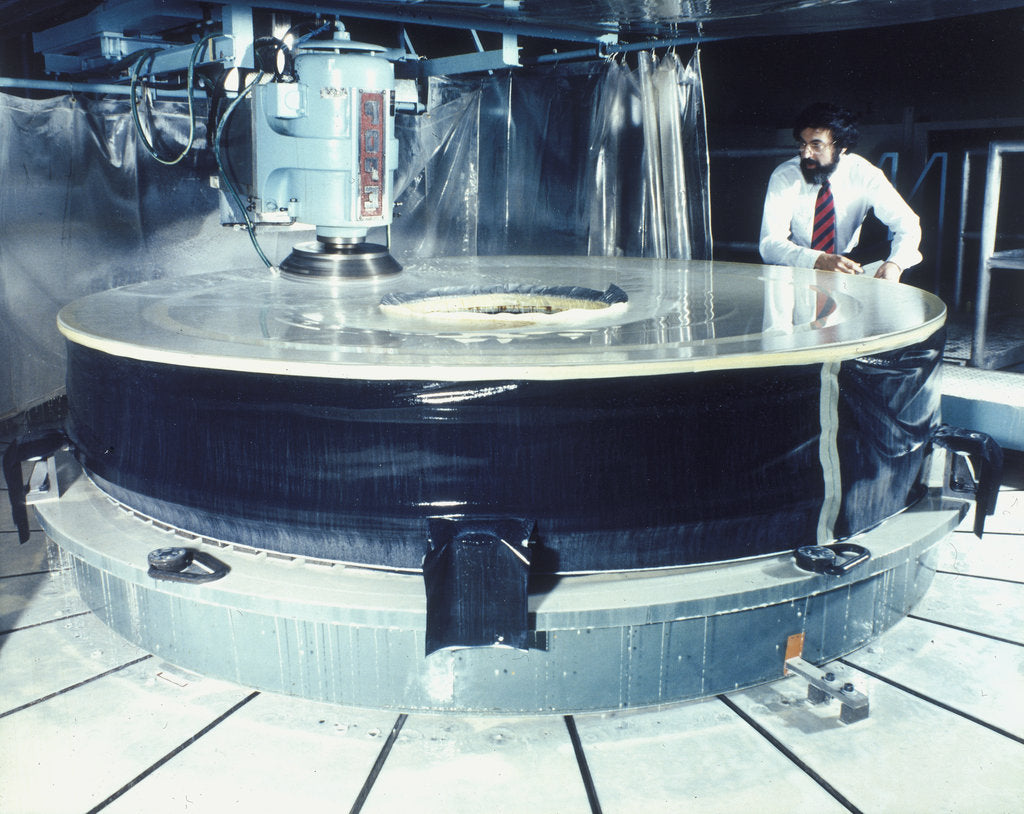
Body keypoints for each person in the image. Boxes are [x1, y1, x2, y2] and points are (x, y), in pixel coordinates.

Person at [759, 102, 922, 282]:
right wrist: (819, 259)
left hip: (848, 266)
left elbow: (908, 224)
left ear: (842, 148)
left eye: (816, 145)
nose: (806, 154)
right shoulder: (785, 175)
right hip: (798, 266)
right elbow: (769, 244)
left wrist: (896, 263)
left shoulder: (865, 174)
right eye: (803, 144)